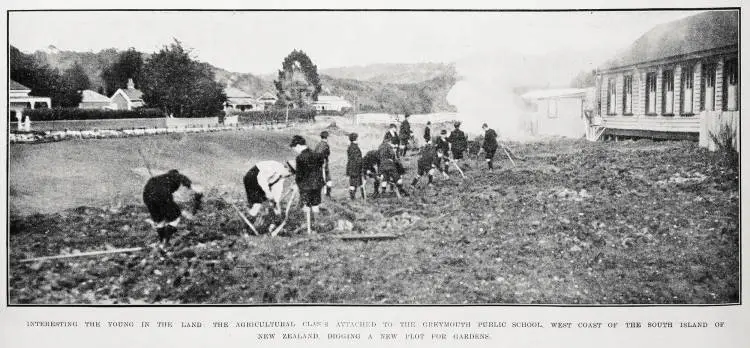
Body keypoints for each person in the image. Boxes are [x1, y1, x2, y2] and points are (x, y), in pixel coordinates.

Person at [142, 169, 203, 246]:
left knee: (160, 221)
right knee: (175, 217)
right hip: (163, 195)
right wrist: (198, 199)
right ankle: (165, 242)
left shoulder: (156, 178)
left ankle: (161, 241)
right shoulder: (177, 176)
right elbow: (195, 189)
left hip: (147, 197)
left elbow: (148, 189)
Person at [290, 135, 325, 234]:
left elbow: (299, 175)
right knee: (315, 205)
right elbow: (321, 166)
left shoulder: (300, 157)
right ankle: (316, 227)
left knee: (306, 206)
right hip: (317, 184)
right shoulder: (317, 155)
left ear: (298, 145)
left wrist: (296, 184)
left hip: (306, 186)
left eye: (294, 148)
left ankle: (308, 229)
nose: (295, 150)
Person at [346, 132, 364, 200]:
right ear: (356, 139)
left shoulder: (350, 146)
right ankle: (353, 197)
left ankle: (352, 196)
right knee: (355, 182)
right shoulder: (355, 147)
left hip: (351, 167)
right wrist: (361, 166)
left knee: (352, 182)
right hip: (356, 167)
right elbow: (358, 159)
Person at [314, 130, 332, 198]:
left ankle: (325, 194)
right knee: (327, 179)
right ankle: (327, 194)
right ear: (326, 137)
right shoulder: (325, 145)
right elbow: (324, 154)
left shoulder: (318, 144)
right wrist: (323, 162)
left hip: (318, 165)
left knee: (322, 179)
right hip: (323, 165)